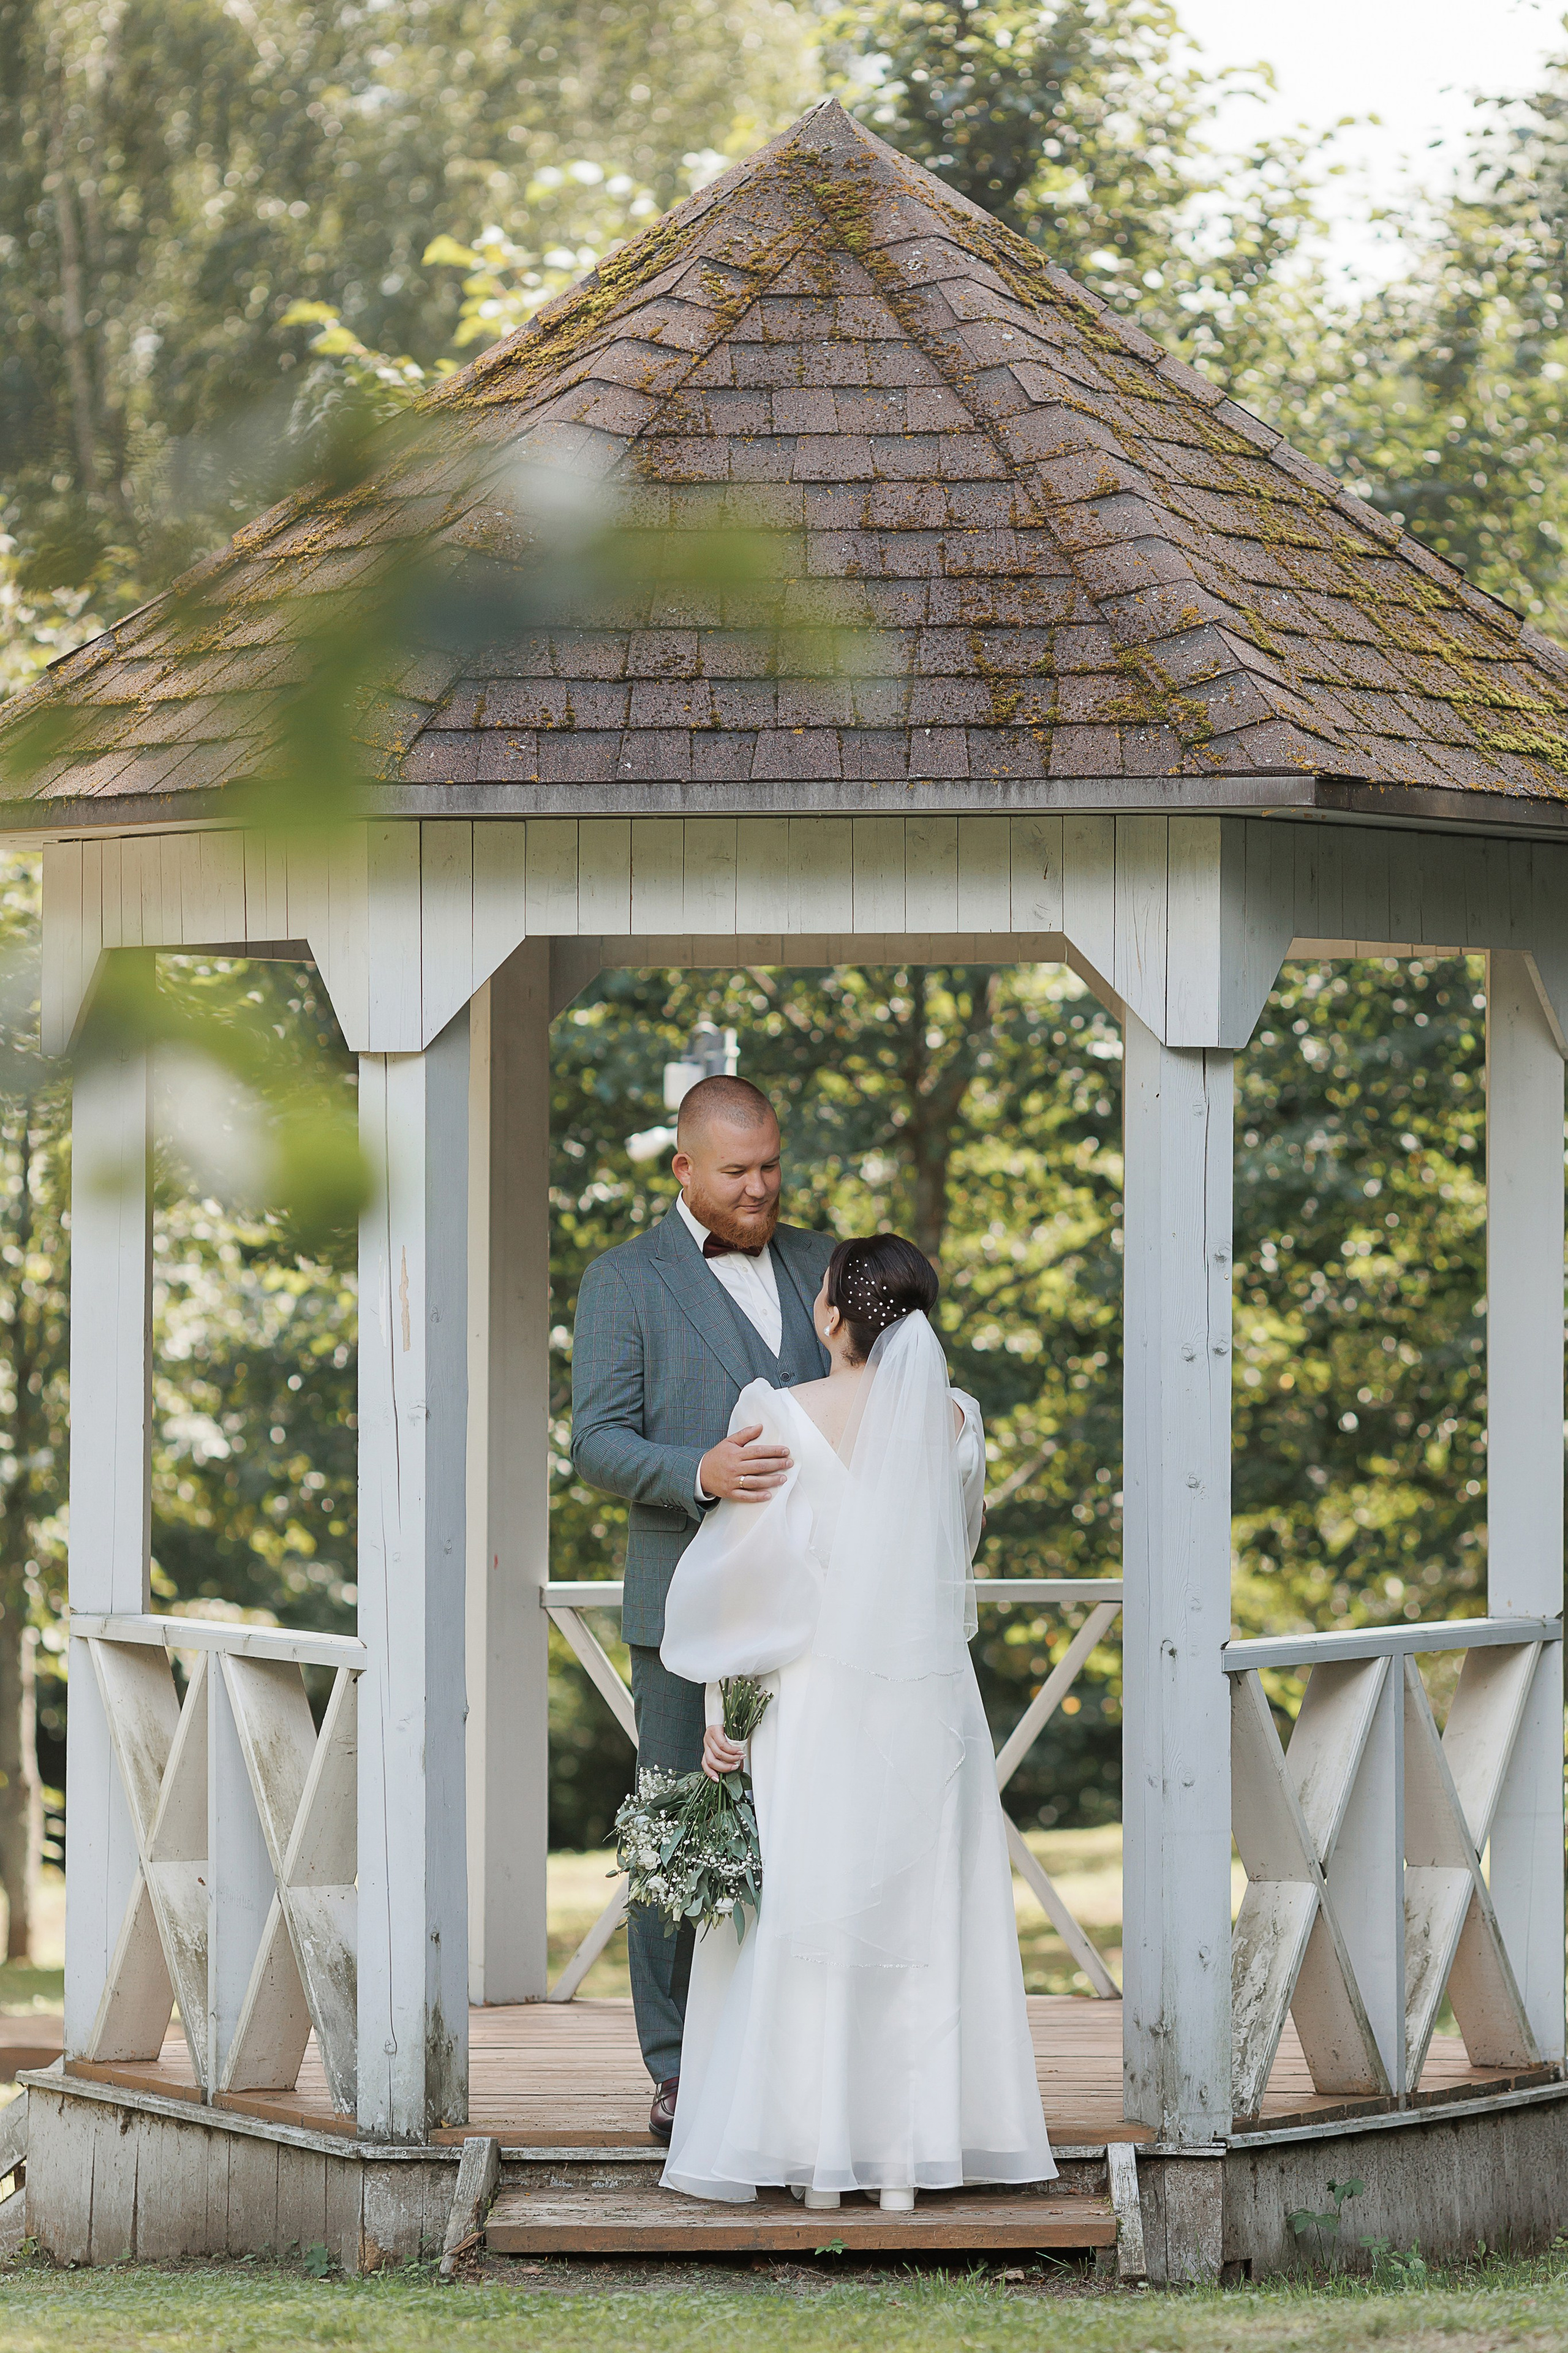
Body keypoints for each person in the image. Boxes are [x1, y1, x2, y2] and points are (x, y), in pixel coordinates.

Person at [657, 1234, 1054, 2209]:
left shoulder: (778, 1415)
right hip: (928, 1693)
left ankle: (812, 2146)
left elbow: (743, 1583)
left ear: (831, 1314)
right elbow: (953, 1547)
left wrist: (726, 1708)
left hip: (817, 1692)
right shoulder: (960, 1422)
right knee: (924, 1911)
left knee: (810, 1906)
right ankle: (915, 2145)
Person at [570, 1075, 836, 2142]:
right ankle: (677, 2065)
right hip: (685, 1609)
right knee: (683, 1829)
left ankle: (805, 2050)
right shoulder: (622, 1280)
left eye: (772, 1165)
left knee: (812, 1822)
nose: (762, 1189)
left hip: (822, 1607)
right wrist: (701, 1471)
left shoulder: (827, 1263)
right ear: (683, 1168)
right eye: (738, 1172)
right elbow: (595, 1440)